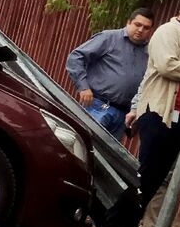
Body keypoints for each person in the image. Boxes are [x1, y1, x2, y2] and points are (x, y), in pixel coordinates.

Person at [97, 0, 180, 227]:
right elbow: (167, 65)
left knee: (157, 174)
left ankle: (129, 221)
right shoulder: (169, 32)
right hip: (161, 113)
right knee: (147, 171)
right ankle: (114, 221)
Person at [66, 9, 155, 138]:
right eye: (137, 24)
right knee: (85, 145)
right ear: (128, 22)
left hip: (123, 115)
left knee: (104, 157)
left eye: (146, 27)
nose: (140, 30)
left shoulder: (149, 52)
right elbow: (76, 57)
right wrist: (83, 87)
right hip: (97, 106)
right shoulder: (109, 38)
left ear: (150, 31)